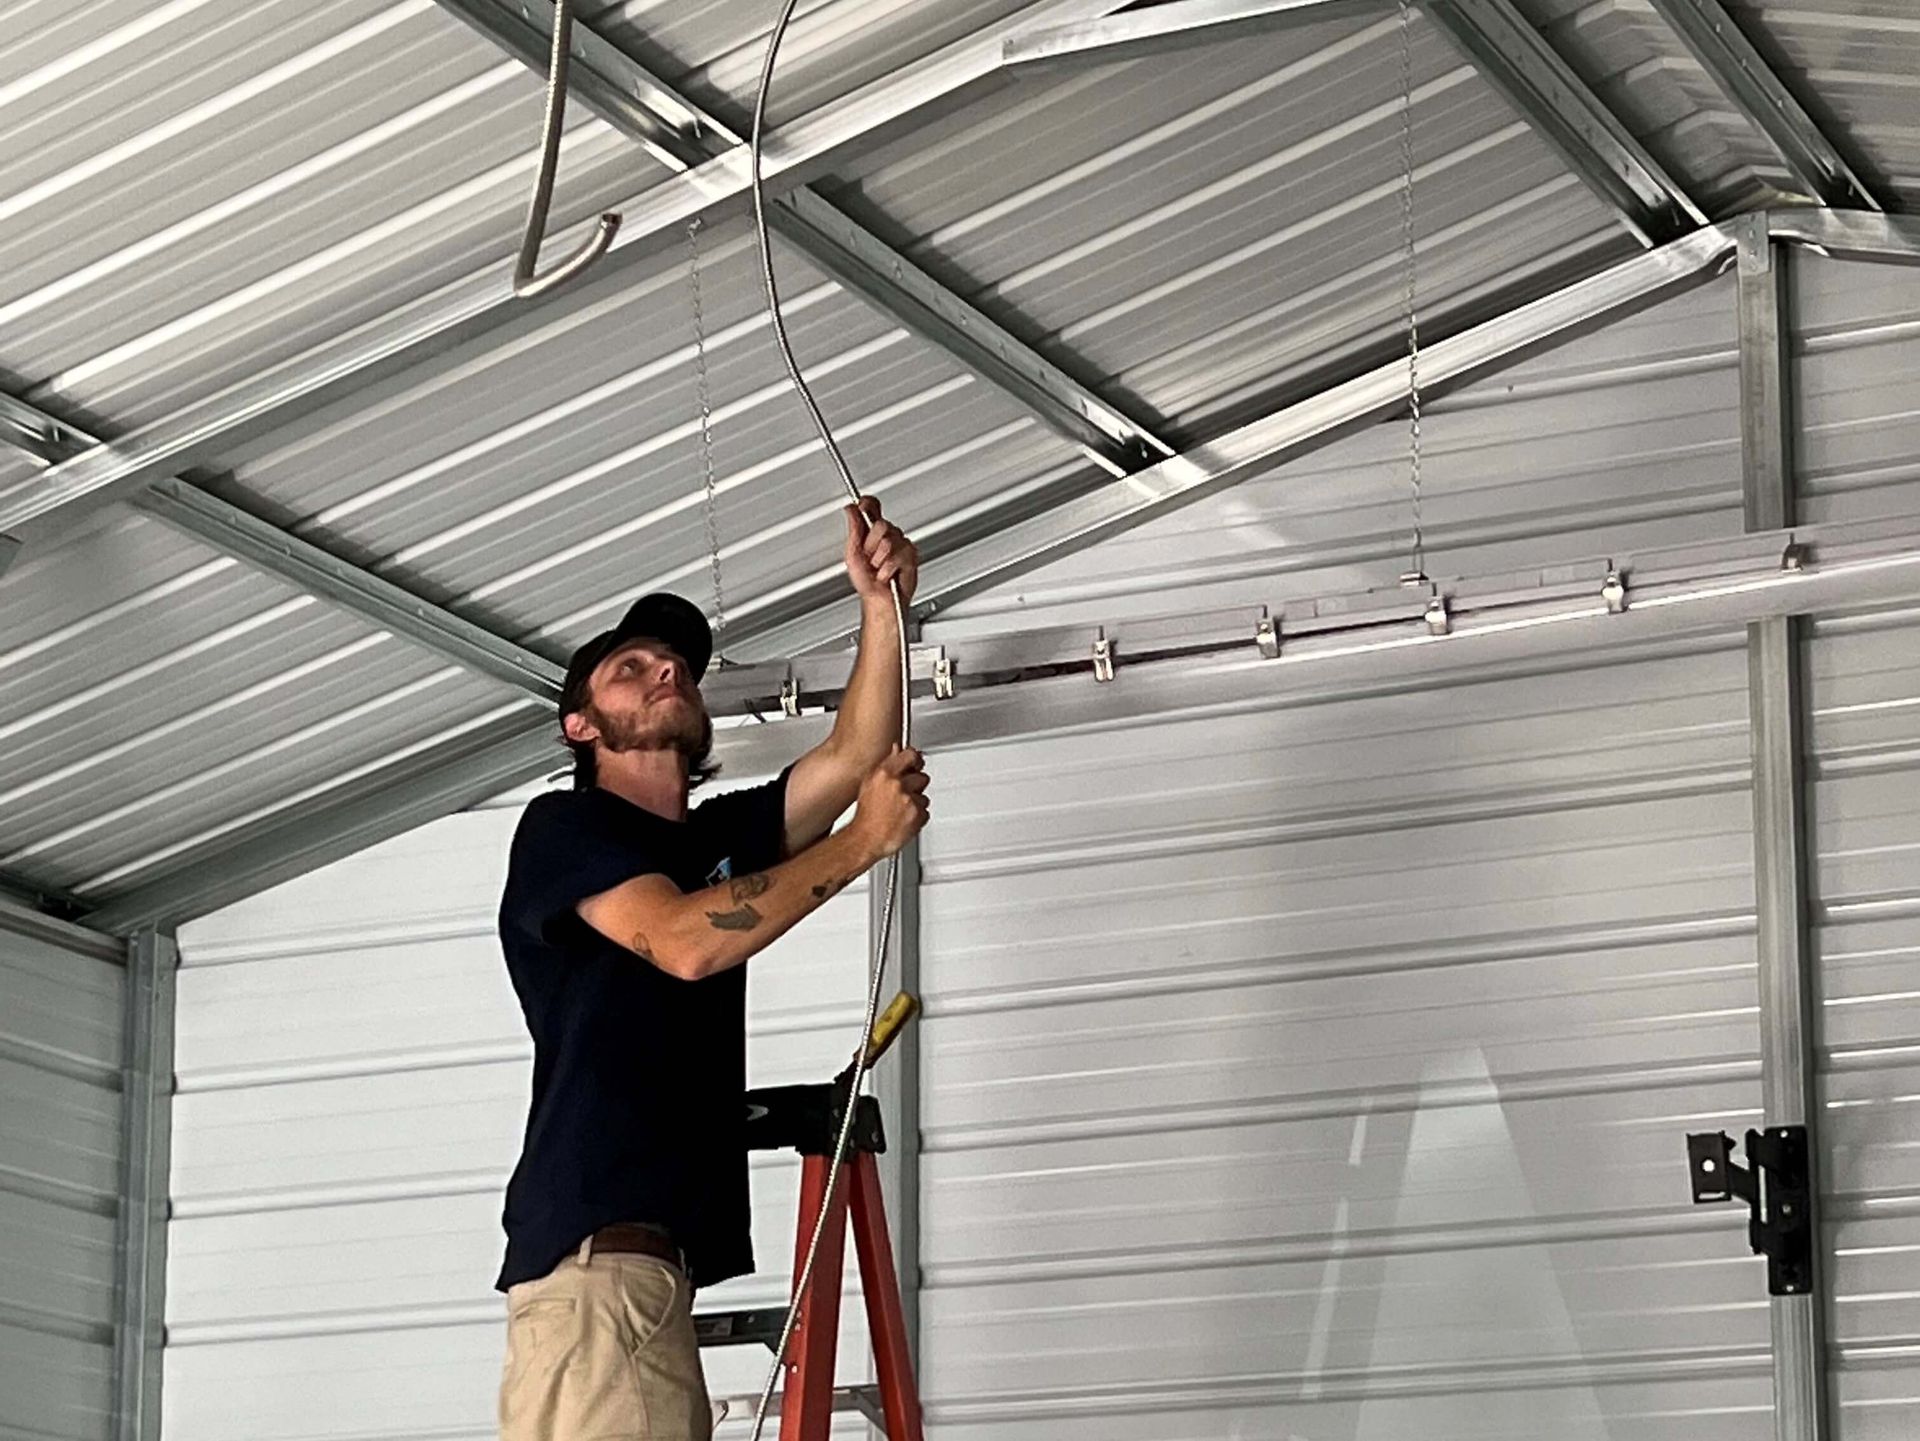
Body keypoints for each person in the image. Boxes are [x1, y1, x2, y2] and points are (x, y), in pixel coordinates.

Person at [493, 498, 928, 1440]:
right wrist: (861, 844)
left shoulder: (712, 841)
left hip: (640, 1286)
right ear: (579, 725)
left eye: (678, 666)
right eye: (632, 667)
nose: (666, 671)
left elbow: (855, 752)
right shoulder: (567, 830)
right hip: (597, 1283)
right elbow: (684, 942)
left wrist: (881, 606)